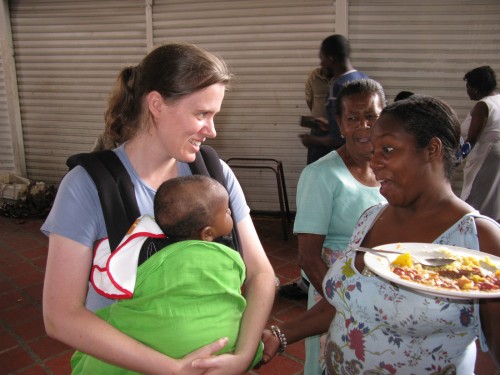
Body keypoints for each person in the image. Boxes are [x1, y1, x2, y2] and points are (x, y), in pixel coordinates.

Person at [41, 43, 276, 375]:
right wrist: (173, 369)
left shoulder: (214, 174)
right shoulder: (88, 186)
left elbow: (262, 273)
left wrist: (243, 355)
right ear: (156, 104)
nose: (212, 130)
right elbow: (61, 315)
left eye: (214, 116)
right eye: (201, 114)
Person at [262, 95, 500, 374]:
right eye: (373, 150)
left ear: (432, 150)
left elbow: (494, 351)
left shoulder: (478, 239)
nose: (374, 161)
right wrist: (281, 334)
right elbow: (348, 304)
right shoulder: (372, 218)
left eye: (387, 149)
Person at [71, 175, 263, 373]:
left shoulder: (143, 250)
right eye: (225, 212)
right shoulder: (228, 258)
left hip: (151, 345)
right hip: (215, 343)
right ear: (207, 234)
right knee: (239, 329)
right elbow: (233, 291)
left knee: (109, 320)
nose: (230, 212)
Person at [288, 79, 388, 375]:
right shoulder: (321, 175)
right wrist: (346, 306)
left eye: (372, 116)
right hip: (336, 295)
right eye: (353, 118)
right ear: (340, 125)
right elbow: (308, 257)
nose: (364, 126)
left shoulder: (392, 167)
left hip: (382, 292)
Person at [299, 34, 368, 158]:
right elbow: (354, 124)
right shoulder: (364, 79)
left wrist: (312, 140)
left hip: (344, 160)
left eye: (322, 59)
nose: (321, 64)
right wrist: (330, 124)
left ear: (330, 60)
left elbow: (338, 140)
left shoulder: (338, 88)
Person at [460, 65, 499, 221]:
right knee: (494, 202)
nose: (467, 91)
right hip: (495, 158)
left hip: (485, 158)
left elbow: (471, 140)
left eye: (468, 87)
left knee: (474, 202)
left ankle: (475, 235)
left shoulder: (483, 105)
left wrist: (457, 158)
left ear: (476, 88)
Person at [302, 66, 334, 165]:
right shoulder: (314, 76)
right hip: (318, 129)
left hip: (339, 131)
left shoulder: (344, 77)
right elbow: (309, 101)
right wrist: (320, 118)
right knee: (315, 166)